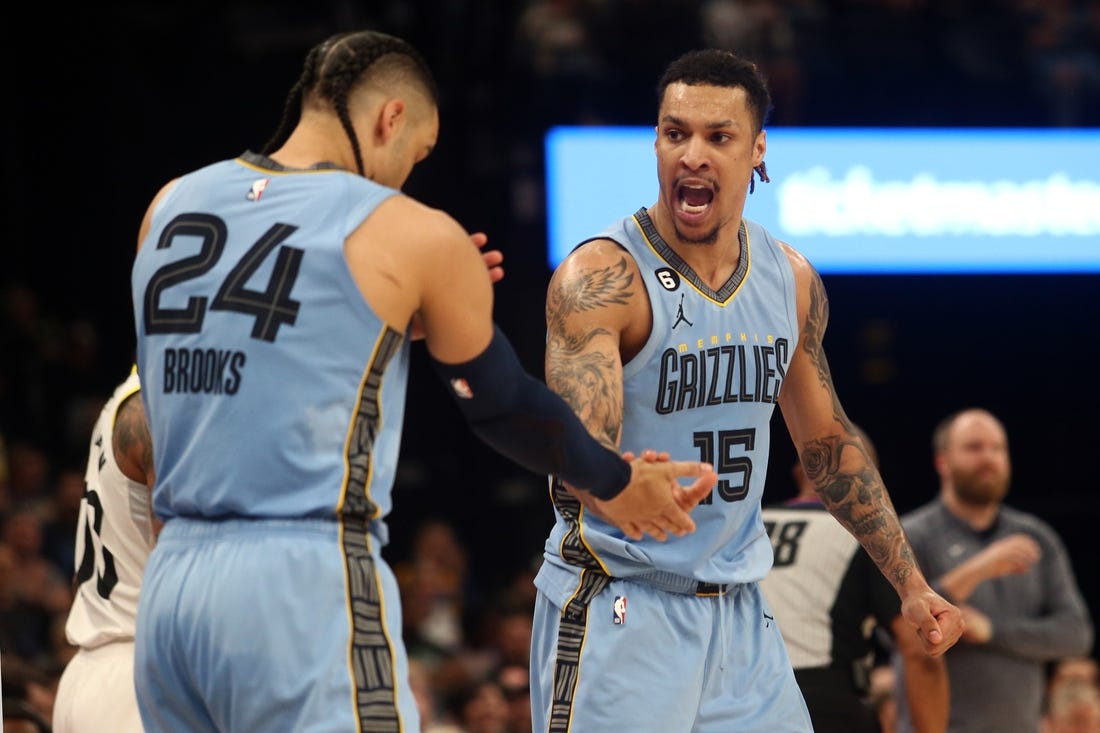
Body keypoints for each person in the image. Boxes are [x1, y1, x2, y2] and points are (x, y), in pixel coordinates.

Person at [128, 29, 717, 733]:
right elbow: (505, 408)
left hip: (169, 584)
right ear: (391, 119)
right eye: (420, 153)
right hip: (296, 574)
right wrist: (616, 484)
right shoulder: (407, 230)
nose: (410, 174)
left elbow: (223, 363)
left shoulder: (168, 205)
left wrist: (372, 322)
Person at [530, 47, 964, 733]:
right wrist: (618, 482)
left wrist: (909, 581)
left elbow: (827, 446)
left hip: (742, 616)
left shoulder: (788, 280)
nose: (692, 155)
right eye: (675, 133)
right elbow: (574, 441)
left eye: (717, 136)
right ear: (656, 143)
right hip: (624, 603)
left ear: (758, 149)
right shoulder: (603, 276)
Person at [894, 408, 1094, 733]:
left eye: (997, 448)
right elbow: (893, 635)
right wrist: (978, 568)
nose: (988, 458)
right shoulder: (908, 536)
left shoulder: (1037, 537)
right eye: (974, 448)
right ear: (942, 462)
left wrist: (991, 631)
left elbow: (1076, 635)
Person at [760, 427, 948, 733]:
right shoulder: (868, 537)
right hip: (821, 702)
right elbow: (918, 648)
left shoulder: (748, 528)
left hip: (733, 698)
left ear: (798, 472)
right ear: (872, 479)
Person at [50, 367, 155, 733]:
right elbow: (186, 571)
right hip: (131, 683)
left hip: (89, 671)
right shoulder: (155, 409)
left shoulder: (123, 398)